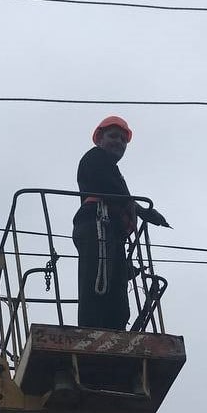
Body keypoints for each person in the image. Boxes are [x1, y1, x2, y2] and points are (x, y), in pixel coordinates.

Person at [73, 115, 169, 330]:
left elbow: (117, 194)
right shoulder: (95, 157)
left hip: (110, 231)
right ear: (99, 139)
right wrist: (141, 210)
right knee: (98, 282)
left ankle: (116, 329)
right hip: (96, 224)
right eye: (113, 136)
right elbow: (110, 190)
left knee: (115, 285)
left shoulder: (110, 167)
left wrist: (138, 211)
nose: (119, 142)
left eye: (123, 140)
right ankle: (92, 331)